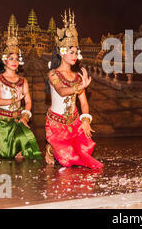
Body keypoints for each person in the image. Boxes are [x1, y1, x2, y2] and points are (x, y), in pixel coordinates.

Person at [45, 10, 103, 169]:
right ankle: (51, 148)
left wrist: (85, 120)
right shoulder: (53, 73)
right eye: (71, 52)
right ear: (62, 52)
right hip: (56, 123)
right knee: (67, 159)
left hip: (74, 122)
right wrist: (80, 87)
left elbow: (84, 103)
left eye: (76, 52)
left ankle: (60, 148)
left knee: (84, 152)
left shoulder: (78, 76)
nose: (75, 55)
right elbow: (62, 91)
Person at [0, 25, 41, 161]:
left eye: (17, 59)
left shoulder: (22, 80)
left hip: (18, 119)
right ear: (4, 60)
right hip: (2, 122)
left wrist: (25, 116)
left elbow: (28, 102)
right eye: (11, 58)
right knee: (8, 155)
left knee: (28, 146)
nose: (15, 62)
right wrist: (14, 100)